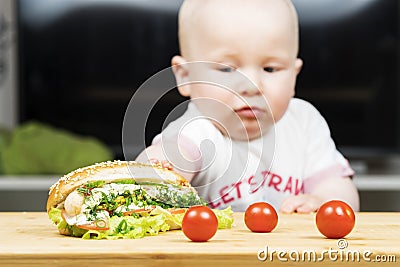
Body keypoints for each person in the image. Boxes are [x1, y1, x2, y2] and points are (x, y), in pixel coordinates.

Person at [136, 0, 360, 213]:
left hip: (288, 252)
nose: (252, 86)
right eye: (227, 69)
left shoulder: (303, 121)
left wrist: (323, 201)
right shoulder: (195, 131)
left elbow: (336, 185)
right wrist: (159, 171)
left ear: (294, 75)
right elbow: (164, 161)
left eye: (270, 69)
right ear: (186, 76)